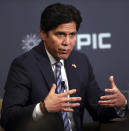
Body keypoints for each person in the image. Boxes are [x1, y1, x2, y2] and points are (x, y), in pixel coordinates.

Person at [1, 3, 128, 131]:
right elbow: (8, 118)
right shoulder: (24, 65)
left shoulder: (81, 61)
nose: (67, 42)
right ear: (43, 34)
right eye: (60, 34)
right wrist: (43, 108)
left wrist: (119, 105)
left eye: (72, 34)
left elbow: (98, 109)